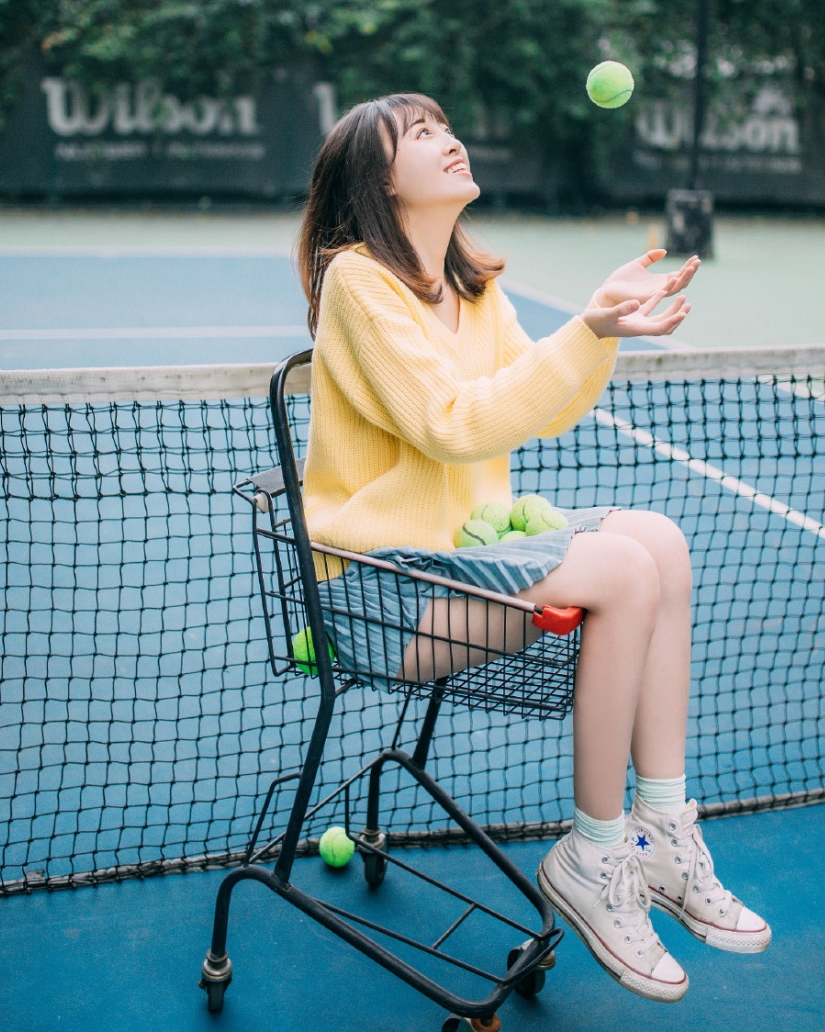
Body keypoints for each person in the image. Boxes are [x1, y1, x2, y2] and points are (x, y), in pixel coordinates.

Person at [296, 92, 770, 1005]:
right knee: (624, 570)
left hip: (464, 561)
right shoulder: (358, 281)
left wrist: (598, 326)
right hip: (379, 589)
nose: (449, 139)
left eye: (445, 125)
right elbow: (452, 424)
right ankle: (594, 853)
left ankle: (662, 830)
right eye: (421, 134)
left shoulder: (474, 287)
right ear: (379, 181)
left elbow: (541, 405)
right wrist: (584, 330)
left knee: (662, 542)